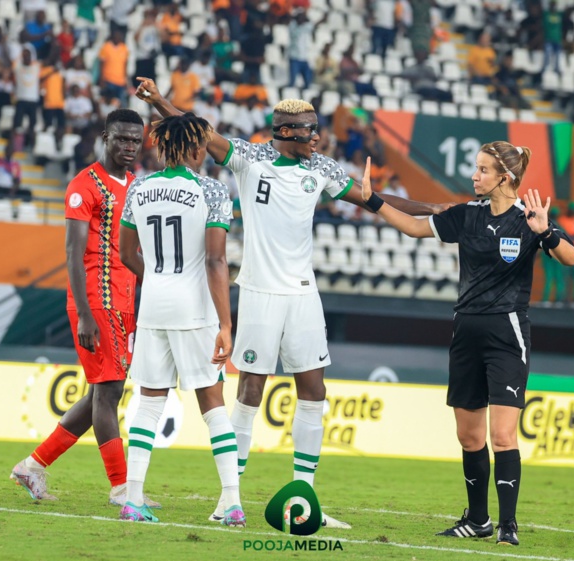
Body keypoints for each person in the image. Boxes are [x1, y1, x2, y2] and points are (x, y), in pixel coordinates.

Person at [135, 77, 450, 528]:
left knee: (314, 391)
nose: (316, 136)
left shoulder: (321, 168)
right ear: (284, 132)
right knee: (249, 391)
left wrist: (433, 210)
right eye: (307, 129)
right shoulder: (250, 158)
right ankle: (231, 499)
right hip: (260, 292)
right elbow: (197, 131)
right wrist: (160, 100)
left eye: (316, 127)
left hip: (303, 295)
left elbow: (373, 201)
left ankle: (306, 498)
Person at [359, 141, 574, 545]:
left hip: (507, 335)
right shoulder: (465, 215)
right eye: (476, 168)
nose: (474, 176)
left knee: (503, 436)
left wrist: (545, 231)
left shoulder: (529, 218)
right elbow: (413, 227)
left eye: (482, 170)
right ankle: (478, 521)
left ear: (504, 177)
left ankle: (508, 526)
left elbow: (570, 257)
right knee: (470, 437)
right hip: (466, 333)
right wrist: (371, 200)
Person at [10, 109, 159, 510]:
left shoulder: (135, 184)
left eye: (135, 140)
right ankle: (122, 487)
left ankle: (33, 466)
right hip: (96, 300)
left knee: (100, 391)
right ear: (105, 137)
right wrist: (85, 315)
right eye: (121, 139)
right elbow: (73, 252)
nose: (129, 146)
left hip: (125, 301)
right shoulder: (84, 185)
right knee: (109, 392)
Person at [118, 113, 245, 526]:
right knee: (212, 404)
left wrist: (155, 278)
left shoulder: (139, 186)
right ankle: (231, 502)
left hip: (153, 306)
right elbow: (215, 259)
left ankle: (133, 500)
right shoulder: (211, 190)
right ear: (194, 148)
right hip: (195, 311)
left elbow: (125, 254)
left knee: (149, 404)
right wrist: (226, 325)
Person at [558, 201, 574, 305]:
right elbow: (564, 234)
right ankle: (562, 298)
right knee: (564, 276)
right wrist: (573, 235)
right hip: (566, 253)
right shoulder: (562, 220)